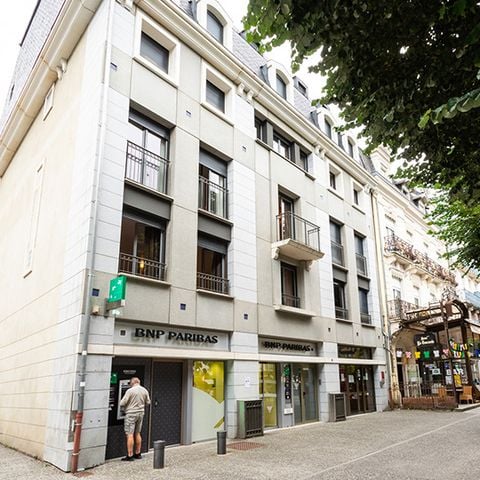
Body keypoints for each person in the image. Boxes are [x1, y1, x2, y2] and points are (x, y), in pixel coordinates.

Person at [119, 377, 151, 461]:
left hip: (131, 414)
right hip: (141, 413)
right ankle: (138, 453)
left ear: (132, 383)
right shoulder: (144, 390)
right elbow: (148, 402)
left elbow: (122, 403)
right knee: (137, 433)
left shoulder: (130, 391)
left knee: (129, 434)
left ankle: (130, 455)